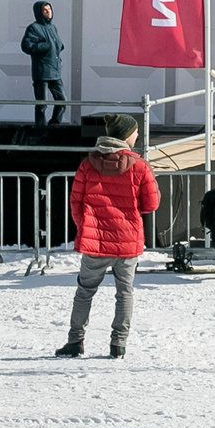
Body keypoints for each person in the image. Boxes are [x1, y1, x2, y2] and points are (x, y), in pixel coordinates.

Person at [62, 116, 158, 358]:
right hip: (127, 242)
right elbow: (151, 204)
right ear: (126, 135)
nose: (137, 136)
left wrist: (86, 226)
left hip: (95, 242)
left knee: (84, 291)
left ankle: (75, 342)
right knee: (124, 293)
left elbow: (76, 200)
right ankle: (118, 345)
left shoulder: (88, 164)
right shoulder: (140, 166)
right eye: (135, 132)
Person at [21, 1, 67, 127]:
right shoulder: (34, 28)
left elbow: (58, 45)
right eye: (45, 10)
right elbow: (26, 46)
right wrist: (44, 46)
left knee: (62, 101)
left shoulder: (53, 28)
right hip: (42, 72)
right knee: (42, 103)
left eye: (50, 9)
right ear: (39, 13)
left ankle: (54, 125)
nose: (49, 12)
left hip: (55, 71)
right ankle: (40, 128)